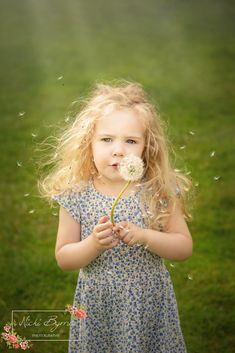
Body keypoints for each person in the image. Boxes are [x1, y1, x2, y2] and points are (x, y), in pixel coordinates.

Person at [39, 80, 193, 353]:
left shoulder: (157, 191)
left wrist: (146, 236)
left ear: (147, 147)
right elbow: (64, 257)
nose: (118, 150)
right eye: (107, 139)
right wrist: (93, 244)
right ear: (90, 144)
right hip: (99, 303)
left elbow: (183, 247)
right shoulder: (76, 195)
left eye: (130, 141)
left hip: (147, 302)